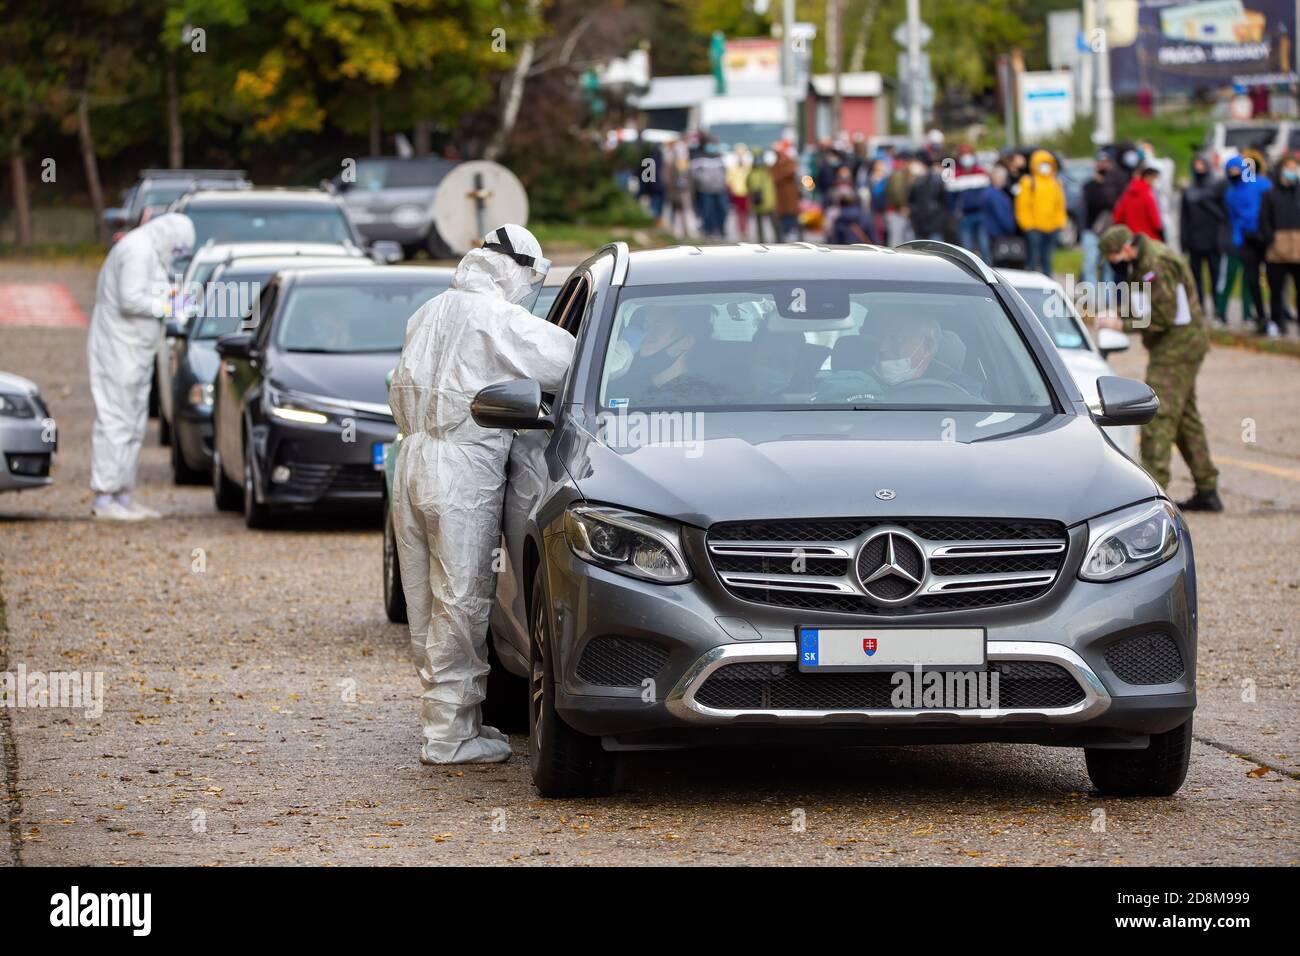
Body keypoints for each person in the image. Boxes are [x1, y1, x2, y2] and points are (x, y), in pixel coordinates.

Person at [389, 224, 575, 764]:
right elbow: (571, 366)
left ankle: (442, 723)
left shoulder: (427, 312)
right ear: (517, 270)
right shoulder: (500, 319)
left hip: (414, 459)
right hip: (463, 465)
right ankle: (451, 736)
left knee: (424, 597)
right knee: (462, 595)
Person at [1097, 225, 1221, 512]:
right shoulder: (1143, 260)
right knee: (1185, 419)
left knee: (1159, 416)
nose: (1115, 264)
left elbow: (1162, 316)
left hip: (1178, 347)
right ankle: (1207, 487)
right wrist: (1121, 314)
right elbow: (1147, 304)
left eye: (1114, 258)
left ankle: (1151, 497)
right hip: (1175, 345)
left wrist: (1121, 325)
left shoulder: (1155, 264)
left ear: (1125, 249)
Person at [87, 212, 195, 521]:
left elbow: (149, 292)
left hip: (136, 350)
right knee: (115, 419)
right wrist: (169, 307)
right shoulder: (137, 250)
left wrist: (171, 297)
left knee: (134, 421)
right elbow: (130, 299)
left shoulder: (152, 252)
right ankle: (105, 497)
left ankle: (123, 493)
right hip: (119, 348)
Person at [1222, 152, 1272, 333]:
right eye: (1231, 170)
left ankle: (1277, 316)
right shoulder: (1231, 193)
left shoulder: (1261, 184)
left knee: (1274, 279)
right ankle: (1260, 317)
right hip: (1246, 240)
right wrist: (1237, 238)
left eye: (1237, 168)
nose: (1234, 172)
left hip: (1266, 238)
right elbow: (1234, 219)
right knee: (1252, 280)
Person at [1178, 153, 1229, 317]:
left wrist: (1205, 200)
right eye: (1196, 164)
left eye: (1202, 164)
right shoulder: (1189, 189)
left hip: (1213, 242)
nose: (1199, 167)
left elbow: (1224, 216)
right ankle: (1198, 308)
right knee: (1195, 279)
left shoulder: (1217, 186)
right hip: (1194, 242)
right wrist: (1183, 241)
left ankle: (1218, 310)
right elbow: (1184, 218)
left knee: (1216, 279)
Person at [1258, 152, 1300, 338]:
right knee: (1276, 290)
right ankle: (1277, 323)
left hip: (1298, 248)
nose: (1291, 172)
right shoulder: (1270, 194)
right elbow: (1264, 220)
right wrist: (1271, 239)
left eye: (1294, 168)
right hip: (1277, 249)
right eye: (1288, 168)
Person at [1014, 149, 1067, 275]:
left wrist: (1060, 223)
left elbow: (1060, 205)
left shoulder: (1055, 183)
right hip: (1034, 229)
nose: (1045, 166)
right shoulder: (1028, 182)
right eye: (1042, 163)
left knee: (1047, 260)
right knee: (1033, 260)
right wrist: (1028, 225)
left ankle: (1047, 287)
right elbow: (1022, 206)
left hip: (1052, 228)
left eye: (1047, 163)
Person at [1081, 150, 1126, 293]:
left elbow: (1111, 202)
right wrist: (1099, 184)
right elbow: (1091, 203)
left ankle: (1107, 302)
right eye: (1100, 162)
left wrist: (1105, 183)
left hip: (1109, 232)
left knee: (1108, 268)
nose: (1102, 165)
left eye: (1106, 162)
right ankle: (1092, 299)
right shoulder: (1090, 185)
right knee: (1090, 265)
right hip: (1092, 230)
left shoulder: (1117, 184)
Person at [1113, 161, 1164, 240]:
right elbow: (1156, 222)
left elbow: (1117, 217)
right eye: (1155, 177)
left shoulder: (1127, 193)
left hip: (1131, 240)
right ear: (1148, 176)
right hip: (1148, 240)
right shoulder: (1148, 195)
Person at [690, 138, 729, 239]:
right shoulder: (699, 157)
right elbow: (694, 173)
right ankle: (708, 231)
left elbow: (726, 171)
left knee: (723, 210)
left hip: (720, 189)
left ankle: (721, 229)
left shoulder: (720, 156)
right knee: (707, 211)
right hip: (705, 190)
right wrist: (703, 181)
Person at [907, 151, 948, 242]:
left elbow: (943, 200)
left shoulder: (935, 179)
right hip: (919, 224)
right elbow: (911, 201)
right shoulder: (915, 181)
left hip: (934, 223)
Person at [747, 149, 779, 243]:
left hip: (760, 201)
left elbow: (748, 185)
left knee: (762, 223)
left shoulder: (753, 172)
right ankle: (777, 240)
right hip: (766, 201)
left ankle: (763, 241)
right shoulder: (767, 171)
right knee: (771, 223)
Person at [771, 143, 801, 240]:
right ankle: (785, 234)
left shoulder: (789, 162)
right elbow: (773, 176)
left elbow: (789, 173)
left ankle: (790, 233)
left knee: (791, 216)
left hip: (789, 196)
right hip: (781, 196)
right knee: (783, 217)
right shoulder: (776, 163)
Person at [726, 143, 753, 239]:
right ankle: (741, 230)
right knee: (738, 213)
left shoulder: (748, 167)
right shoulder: (733, 167)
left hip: (746, 192)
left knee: (745, 212)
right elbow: (729, 180)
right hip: (737, 193)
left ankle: (745, 229)